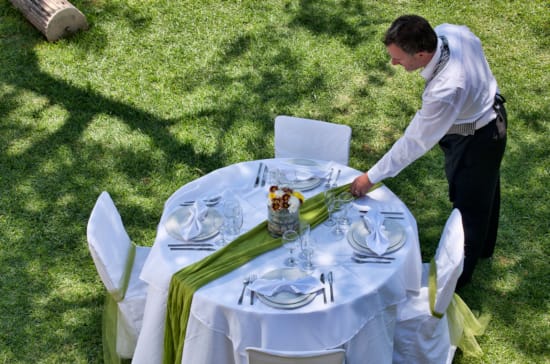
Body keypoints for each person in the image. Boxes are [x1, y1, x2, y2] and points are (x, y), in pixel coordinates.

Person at [350, 15, 507, 288]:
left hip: (478, 137)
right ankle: (485, 248)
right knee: (484, 191)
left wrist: (370, 177)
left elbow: (414, 143)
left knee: (467, 208)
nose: (394, 63)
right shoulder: (451, 32)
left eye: (398, 58)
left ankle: (456, 280)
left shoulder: (446, 90)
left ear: (422, 54)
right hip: (483, 115)